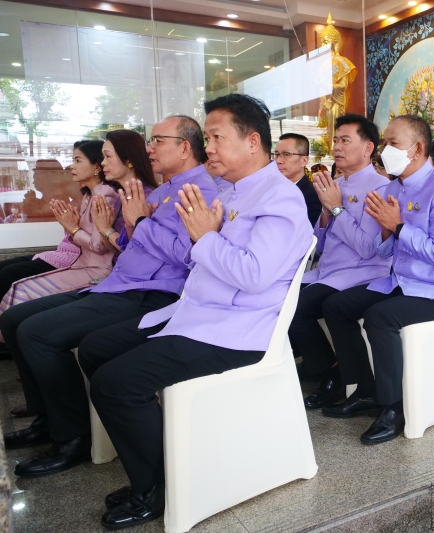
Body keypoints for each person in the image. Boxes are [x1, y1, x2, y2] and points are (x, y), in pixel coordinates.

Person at [73, 94, 311, 530]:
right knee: (94, 349)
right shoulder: (236, 192)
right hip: (200, 315)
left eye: (217, 138)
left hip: (237, 331)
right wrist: (208, 237)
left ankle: (156, 488)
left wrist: (205, 239)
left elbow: (254, 274)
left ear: (252, 141)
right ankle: (164, 457)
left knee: (114, 384)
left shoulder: (282, 199)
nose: (210, 148)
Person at [0, 117, 217, 478]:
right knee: (13, 319)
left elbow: (186, 255)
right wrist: (132, 226)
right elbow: (132, 246)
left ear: (184, 147)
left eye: (158, 140)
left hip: (150, 293)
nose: (149, 148)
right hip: (118, 283)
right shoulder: (163, 190)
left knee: (37, 334)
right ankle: (47, 417)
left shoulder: (199, 192)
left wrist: (140, 223)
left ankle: (71, 438)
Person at [319, 114, 434, 445]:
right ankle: (366, 389)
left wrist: (400, 227)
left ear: (416, 149)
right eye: (385, 143)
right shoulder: (394, 188)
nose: (385, 150)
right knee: (337, 306)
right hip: (400, 283)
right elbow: (384, 252)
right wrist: (388, 232)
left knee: (379, 317)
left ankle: (394, 407)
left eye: (392, 143)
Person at [0, 141, 120, 415]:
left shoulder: (105, 195)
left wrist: (72, 227)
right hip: (81, 263)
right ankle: (34, 388)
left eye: (78, 161)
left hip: (95, 272)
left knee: (17, 292)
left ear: (97, 166)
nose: (71, 166)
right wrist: (72, 227)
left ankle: (37, 395)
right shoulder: (92, 193)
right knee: (15, 292)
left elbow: (102, 246)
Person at [289, 114, 391, 409]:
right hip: (328, 270)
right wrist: (325, 213)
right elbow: (318, 244)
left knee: (298, 309)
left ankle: (329, 375)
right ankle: (328, 368)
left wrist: (335, 209)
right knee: (278, 296)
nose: (337, 146)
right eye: (336, 140)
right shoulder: (334, 184)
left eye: (346, 140)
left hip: (361, 272)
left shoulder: (380, 188)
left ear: (368, 147)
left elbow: (367, 249)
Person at [90, 129, 160, 254]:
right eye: (103, 157)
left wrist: (106, 229)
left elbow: (132, 251)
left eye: (108, 156)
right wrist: (101, 227)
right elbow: (114, 251)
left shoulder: (146, 196)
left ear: (129, 161)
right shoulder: (122, 196)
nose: (103, 163)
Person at [275, 133, 322, 226]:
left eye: (286, 154)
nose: (278, 161)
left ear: (304, 160)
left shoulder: (313, 196)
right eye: (277, 154)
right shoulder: (273, 190)